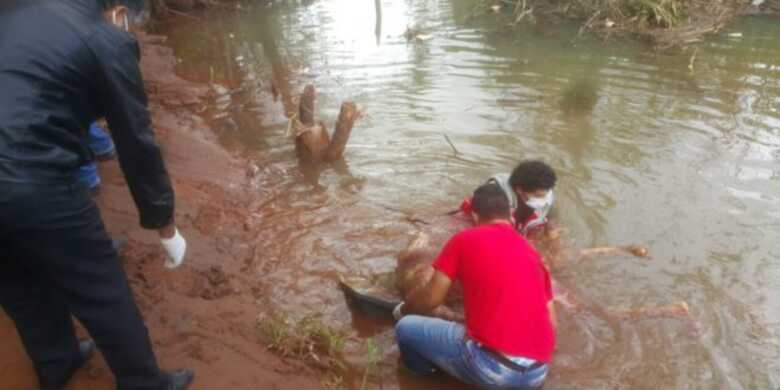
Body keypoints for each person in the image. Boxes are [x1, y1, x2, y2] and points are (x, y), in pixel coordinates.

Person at [0, 0, 191, 389]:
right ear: (119, 11)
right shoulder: (105, 39)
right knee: (100, 287)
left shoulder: (18, 12)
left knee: (19, 282)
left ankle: (58, 363)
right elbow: (137, 143)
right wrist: (165, 225)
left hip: (18, 164)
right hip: (30, 177)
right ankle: (143, 382)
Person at [394, 183, 556, 389]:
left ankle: (424, 379)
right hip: (538, 373)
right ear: (510, 216)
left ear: (475, 216)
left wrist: (402, 310)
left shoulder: (464, 239)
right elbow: (552, 323)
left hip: (495, 371)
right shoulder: (533, 253)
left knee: (406, 329)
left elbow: (431, 299)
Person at [460, 160, 557, 238]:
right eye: (537, 196)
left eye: (546, 194)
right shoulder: (493, 199)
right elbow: (489, 235)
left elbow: (551, 227)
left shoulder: (547, 199)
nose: (543, 199)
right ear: (520, 190)